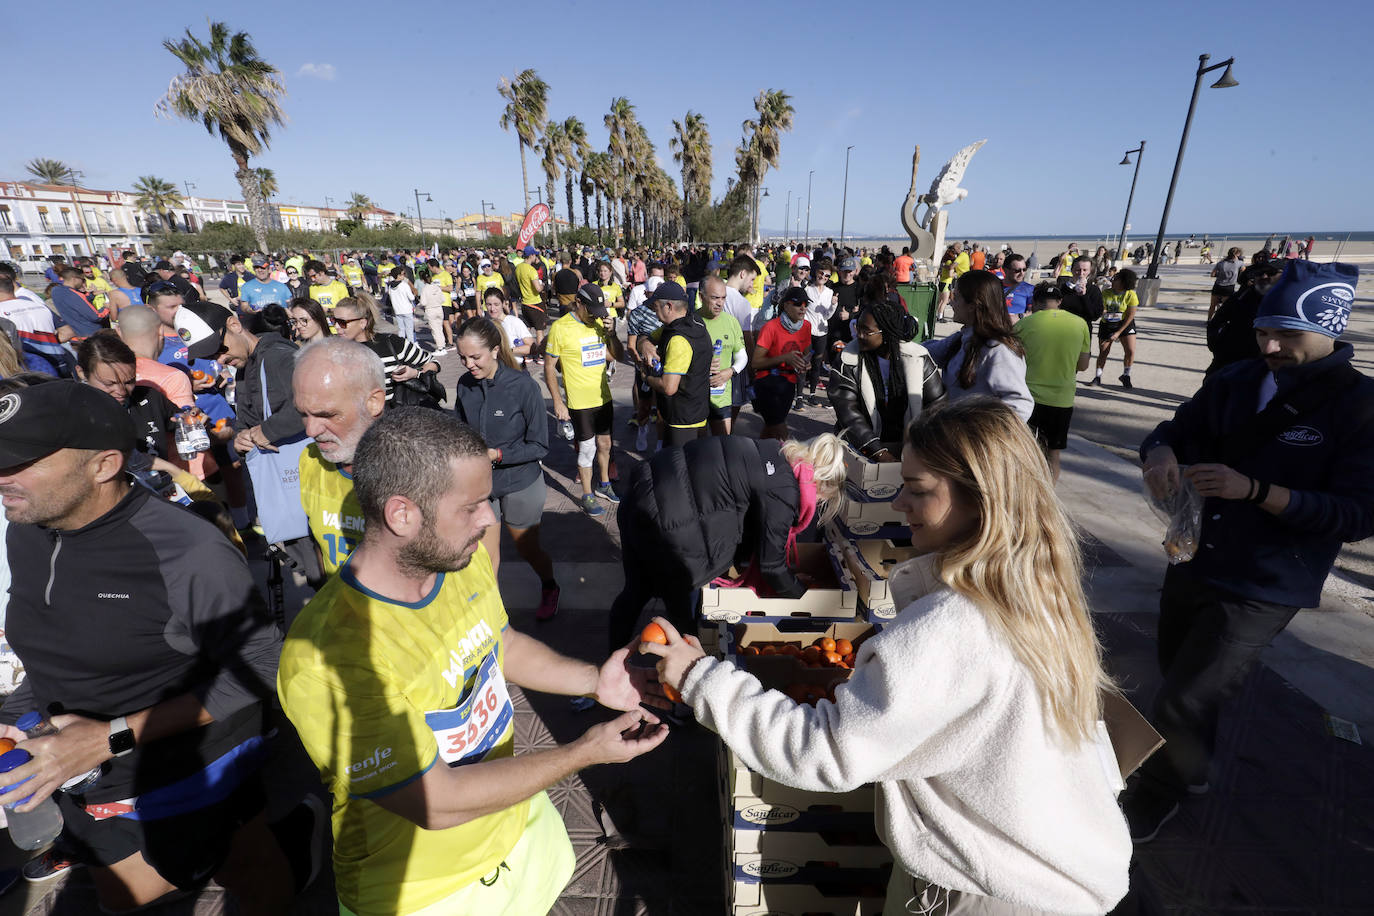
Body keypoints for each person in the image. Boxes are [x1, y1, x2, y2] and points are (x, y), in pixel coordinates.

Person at [643, 398, 1131, 915]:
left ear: (980, 500)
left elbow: (824, 751)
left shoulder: (957, 625)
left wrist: (700, 679)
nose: (899, 504)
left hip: (986, 890)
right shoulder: (1039, 591)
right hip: (1045, 873)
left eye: (917, 490)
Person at [276, 408, 667, 916]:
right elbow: (434, 802)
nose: (489, 520)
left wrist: (596, 681)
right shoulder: (330, 658)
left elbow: (498, 643)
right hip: (425, 892)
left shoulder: (456, 560)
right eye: (474, 506)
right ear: (402, 514)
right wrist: (583, 753)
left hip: (520, 831)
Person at [0, 380, 298, 913]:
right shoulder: (26, 527)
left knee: (240, 863)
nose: (2, 478)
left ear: (103, 465)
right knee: (123, 897)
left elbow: (266, 667)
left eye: (20, 463)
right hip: (75, 765)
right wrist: (16, 712)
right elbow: (51, 641)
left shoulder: (186, 550)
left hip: (187, 765)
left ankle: (296, 844)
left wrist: (107, 739)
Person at [1128, 260, 1374, 843]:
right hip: (1194, 557)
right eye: (1264, 329)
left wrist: (1259, 492)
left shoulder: (1358, 405)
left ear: (1329, 329)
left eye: (1288, 334)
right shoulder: (1235, 378)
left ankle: (1155, 795)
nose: (1269, 344)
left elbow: (1357, 515)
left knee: (1183, 699)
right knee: (1181, 676)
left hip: (1266, 583)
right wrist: (1160, 452)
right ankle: (1190, 771)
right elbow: (1174, 429)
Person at [607, 433, 847, 653]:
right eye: (822, 499)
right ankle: (680, 681)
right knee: (685, 614)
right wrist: (803, 598)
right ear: (821, 484)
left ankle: (613, 659)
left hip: (642, 494)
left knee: (635, 591)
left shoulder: (777, 450)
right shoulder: (784, 491)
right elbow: (772, 566)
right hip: (669, 527)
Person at [453, 317, 561, 620]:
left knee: (526, 548)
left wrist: (497, 454)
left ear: (496, 350)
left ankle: (550, 585)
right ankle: (492, 614)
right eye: (462, 357)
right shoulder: (464, 384)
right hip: (482, 485)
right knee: (485, 555)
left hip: (521, 482)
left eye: (475, 357)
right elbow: (461, 429)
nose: (468, 364)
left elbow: (539, 446)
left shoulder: (523, 386)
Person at [292, 338, 386, 577]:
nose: (310, 431)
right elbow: (321, 548)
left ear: (373, 402)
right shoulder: (311, 460)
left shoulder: (423, 471)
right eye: (303, 414)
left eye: (327, 414)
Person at [829, 287, 945, 462]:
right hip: (860, 450)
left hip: (910, 449)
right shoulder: (848, 360)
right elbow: (849, 414)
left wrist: (919, 447)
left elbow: (937, 406)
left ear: (887, 333)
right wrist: (879, 453)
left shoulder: (918, 358)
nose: (858, 335)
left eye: (866, 331)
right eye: (857, 327)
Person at [545, 276, 621, 516]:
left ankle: (604, 485)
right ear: (578, 302)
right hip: (579, 403)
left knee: (606, 445)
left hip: (603, 398)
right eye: (592, 309)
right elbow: (548, 366)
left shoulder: (599, 323)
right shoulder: (560, 328)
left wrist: (613, 334)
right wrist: (558, 401)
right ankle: (587, 494)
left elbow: (614, 356)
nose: (596, 315)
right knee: (587, 450)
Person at [924, 270, 1033, 420]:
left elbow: (1020, 405)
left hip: (974, 440)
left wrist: (980, 436)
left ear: (973, 305)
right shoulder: (964, 338)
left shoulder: (998, 348)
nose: (951, 303)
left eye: (957, 297)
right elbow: (926, 352)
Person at [1015, 283, 1092, 481]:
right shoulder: (1080, 323)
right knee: (1053, 454)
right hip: (1062, 399)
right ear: (1059, 301)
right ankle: (1046, 499)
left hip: (1028, 397)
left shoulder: (1024, 324)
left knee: (1023, 451)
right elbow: (1083, 365)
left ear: (1036, 302)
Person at [635, 282, 712, 448]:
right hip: (698, 412)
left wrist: (646, 378)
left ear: (669, 306)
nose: (654, 313)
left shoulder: (678, 339)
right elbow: (645, 338)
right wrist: (646, 345)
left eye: (655, 307)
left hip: (682, 420)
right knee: (694, 466)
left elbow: (669, 387)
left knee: (680, 469)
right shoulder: (693, 321)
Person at [331, 297, 440, 405]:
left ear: (363, 323)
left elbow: (433, 362)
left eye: (342, 322)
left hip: (394, 417)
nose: (336, 326)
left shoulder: (392, 343)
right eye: (333, 320)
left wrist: (415, 373)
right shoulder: (335, 351)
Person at [750, 286, 813, 440]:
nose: (803, 308)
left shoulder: (806, 326)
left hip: (789, 384)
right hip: (768, 383)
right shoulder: (770, 327)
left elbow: (807, 353)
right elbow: (756, 363)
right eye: (798, 304)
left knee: (771, 428)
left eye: (806, 304)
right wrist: (784, 358)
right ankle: (791, 459)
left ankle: (761, 457)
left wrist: (806, 364)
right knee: (779, 427)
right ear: (786, 305)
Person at [1204, 260, 1285, 375]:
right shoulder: (1241, 296)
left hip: (1261, 364)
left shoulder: (1285, 301)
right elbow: (1216, 322)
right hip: (1227, 358)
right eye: (1260, 273)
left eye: (1270, 273)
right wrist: (1217, 346)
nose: (1264, 276)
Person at [696, 277, 747, 435]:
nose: (720, 303)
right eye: (715, 298)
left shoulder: (732, 322)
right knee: (699, 448)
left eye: (723, 298)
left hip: (721, 396)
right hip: (696, 395)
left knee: (724, 443)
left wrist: (730, 372)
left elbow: (742, 356)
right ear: (701, 296)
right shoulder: (691, 321)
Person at [0, 268, 71, 376]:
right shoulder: (38, 305)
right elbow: (67, 332)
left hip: (31, 370)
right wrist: (48, 343)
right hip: (59, 363)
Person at [1092, 268, 1140, 389]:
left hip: (1125, 323)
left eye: (1116, 279)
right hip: (1107, 324)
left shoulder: (1131, 294)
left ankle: (1126, 375)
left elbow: (1130, 316)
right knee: (1103, 351)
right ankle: (1097, 376)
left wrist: (1118, 333)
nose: (1113, 280)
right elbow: (1101, 309)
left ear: (1124, 282)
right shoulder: (1106, 293)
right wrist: (1102, 310)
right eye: (1113, 278)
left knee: (1130, 350)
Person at [801, 257, 837, 407]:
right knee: (803, 363)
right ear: (816, 272)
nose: (823, 277)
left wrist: (834, 305)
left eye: (827, 276)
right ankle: (798, 396)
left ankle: (812, 395)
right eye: (821, 273)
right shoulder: (807, 290)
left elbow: (827, 315)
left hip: (822, 332)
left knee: (817, 364)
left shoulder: (830, 292)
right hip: (807, 331)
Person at [51, 266, 110, 339]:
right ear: (74, 279)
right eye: (82, 279)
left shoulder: (56, 291)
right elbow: (96, 316)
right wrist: (107, 307)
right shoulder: (75, 294)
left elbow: (74, 303)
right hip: (91, 334)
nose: (83, 282)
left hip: (77, 334)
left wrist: (91, 295)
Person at [483, 287, 534, 366]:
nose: (492, 309)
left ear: (503, 303)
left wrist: (507, 351)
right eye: (489, 305)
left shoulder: (514, 322)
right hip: (495, 370)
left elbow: (531, 347)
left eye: (496, 304)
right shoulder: (485, 325)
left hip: (515, 368)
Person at [514, 245, 548, 346]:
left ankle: (526, 351)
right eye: (535, 255)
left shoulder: (518, 268)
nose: (536, 257)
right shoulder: (531, 270)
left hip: (524, 303)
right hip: (535, 302)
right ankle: (540, 354)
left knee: (526, 330)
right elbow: (538, 289)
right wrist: (543, 285)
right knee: (539, 330)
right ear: (531, 255)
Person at [1058, 256, 1104, 325]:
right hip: (1062, 328)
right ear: (1072, 269)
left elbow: (1094, 316)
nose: (1081, 273)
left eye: (1085, 270)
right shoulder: (1061, 288)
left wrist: (1084, 296)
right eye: (1078, 270)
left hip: (1083, 331)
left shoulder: (1094, 290)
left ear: (1090, 271)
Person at [416, 266, 451, 355]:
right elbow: (442, 299)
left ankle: (440, 348)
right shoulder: (437, 287)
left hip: (430, 310)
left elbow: (423, 302)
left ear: (423, 280)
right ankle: (442, 346)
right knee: (439, 328)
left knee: (435, 330)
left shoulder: (425, 289)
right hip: (439, 308)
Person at [1207, 247, 1245, 320]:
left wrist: (1221, 274)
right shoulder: (1239, 263)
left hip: (1218, 286)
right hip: (1229, 287)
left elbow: (1212, 274)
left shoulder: (1221, 263)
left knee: (1212, 305)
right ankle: (1222, 321)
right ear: (1237, 255)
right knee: (1226, 307)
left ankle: (1209, 320)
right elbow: (1245, 273)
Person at [384, 267, 418, 342]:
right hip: (407, 310)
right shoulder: (404, 285)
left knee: (401, 330)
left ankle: (402, 345)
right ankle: (411, 345)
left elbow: (390, 296)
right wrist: (415, 294)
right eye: (403, 274)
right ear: (398, 275)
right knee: (409, 331)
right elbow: (411, 298)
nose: (404, 276)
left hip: (397, 310)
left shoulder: (390, 286)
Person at [1000, 253, 1034, 323]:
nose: (1022, 273)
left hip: (1019, 327)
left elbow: (1033, 312)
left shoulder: (1029, 289)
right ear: (1005, 270)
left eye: (1024, 269)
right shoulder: (994, 287)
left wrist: (1018, 317)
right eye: (1017, 271)